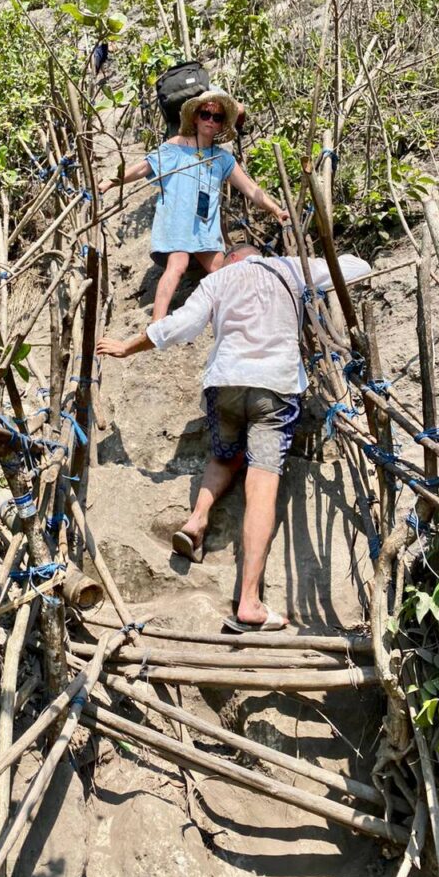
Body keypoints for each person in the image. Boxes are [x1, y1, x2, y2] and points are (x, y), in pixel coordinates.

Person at [96, 243, 371, 631]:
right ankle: (250, 603)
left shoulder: (219, 279)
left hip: (225, 383)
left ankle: (196, 522)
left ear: (233, 259)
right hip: (273, 386)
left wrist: (127, 346)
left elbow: (178, 324)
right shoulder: (289, 268)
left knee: (225, 455)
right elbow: (356, 266)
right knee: (262, 483)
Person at [98, 89, 290, 321]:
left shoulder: (222, 158)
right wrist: (112, 181)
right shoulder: (175, 147)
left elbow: (250, 189)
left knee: (220, 269)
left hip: (205, 226)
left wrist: (275, 209)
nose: (210, 120)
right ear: (196, 117)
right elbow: (144, 167)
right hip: (177, 221)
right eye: (206, 114)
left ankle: (236, 316)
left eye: (216, 117)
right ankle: (156, 323)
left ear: (221, 125)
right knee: (176, 265)